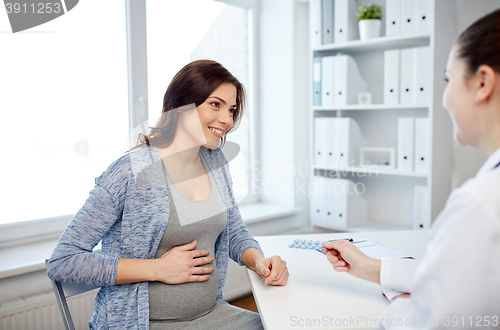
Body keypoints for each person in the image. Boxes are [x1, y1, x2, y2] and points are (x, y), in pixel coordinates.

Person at [47, 59, 289, 330]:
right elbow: (63, 261)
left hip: (212, 315)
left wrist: (259, 261)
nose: (227, 119)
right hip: (142, 323)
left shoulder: (215, 162)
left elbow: (233, 231)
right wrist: (157, 269)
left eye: (231, 110)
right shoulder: (130, 171)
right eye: (215, 104)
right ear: (181, 105)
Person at [322, 9, 500, 329]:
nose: (444, 99)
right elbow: (460, 276)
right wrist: (373, 269)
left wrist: (406, 303)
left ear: (483, 82)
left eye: (448, 79)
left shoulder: (479, 205)